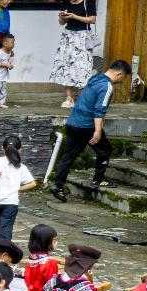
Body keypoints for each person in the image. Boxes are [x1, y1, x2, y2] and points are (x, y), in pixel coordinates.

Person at [51, 60, 130, 202]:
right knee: (105, 149)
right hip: (86, 126)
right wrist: (98, 131)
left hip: (72, 121)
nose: (122, 81)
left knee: (69, 156)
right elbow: (99, 110)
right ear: (119, 74)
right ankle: (98, 180)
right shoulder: (107, 86)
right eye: (123, 78)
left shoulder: (95, 78)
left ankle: (57, 185)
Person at [0, 137, 37, 247]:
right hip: (11, 201)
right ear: (20, 149)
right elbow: (33, 183)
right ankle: (4, 250)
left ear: (2, 148)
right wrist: (18, 188)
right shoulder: (21, 166)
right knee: (5, 226)